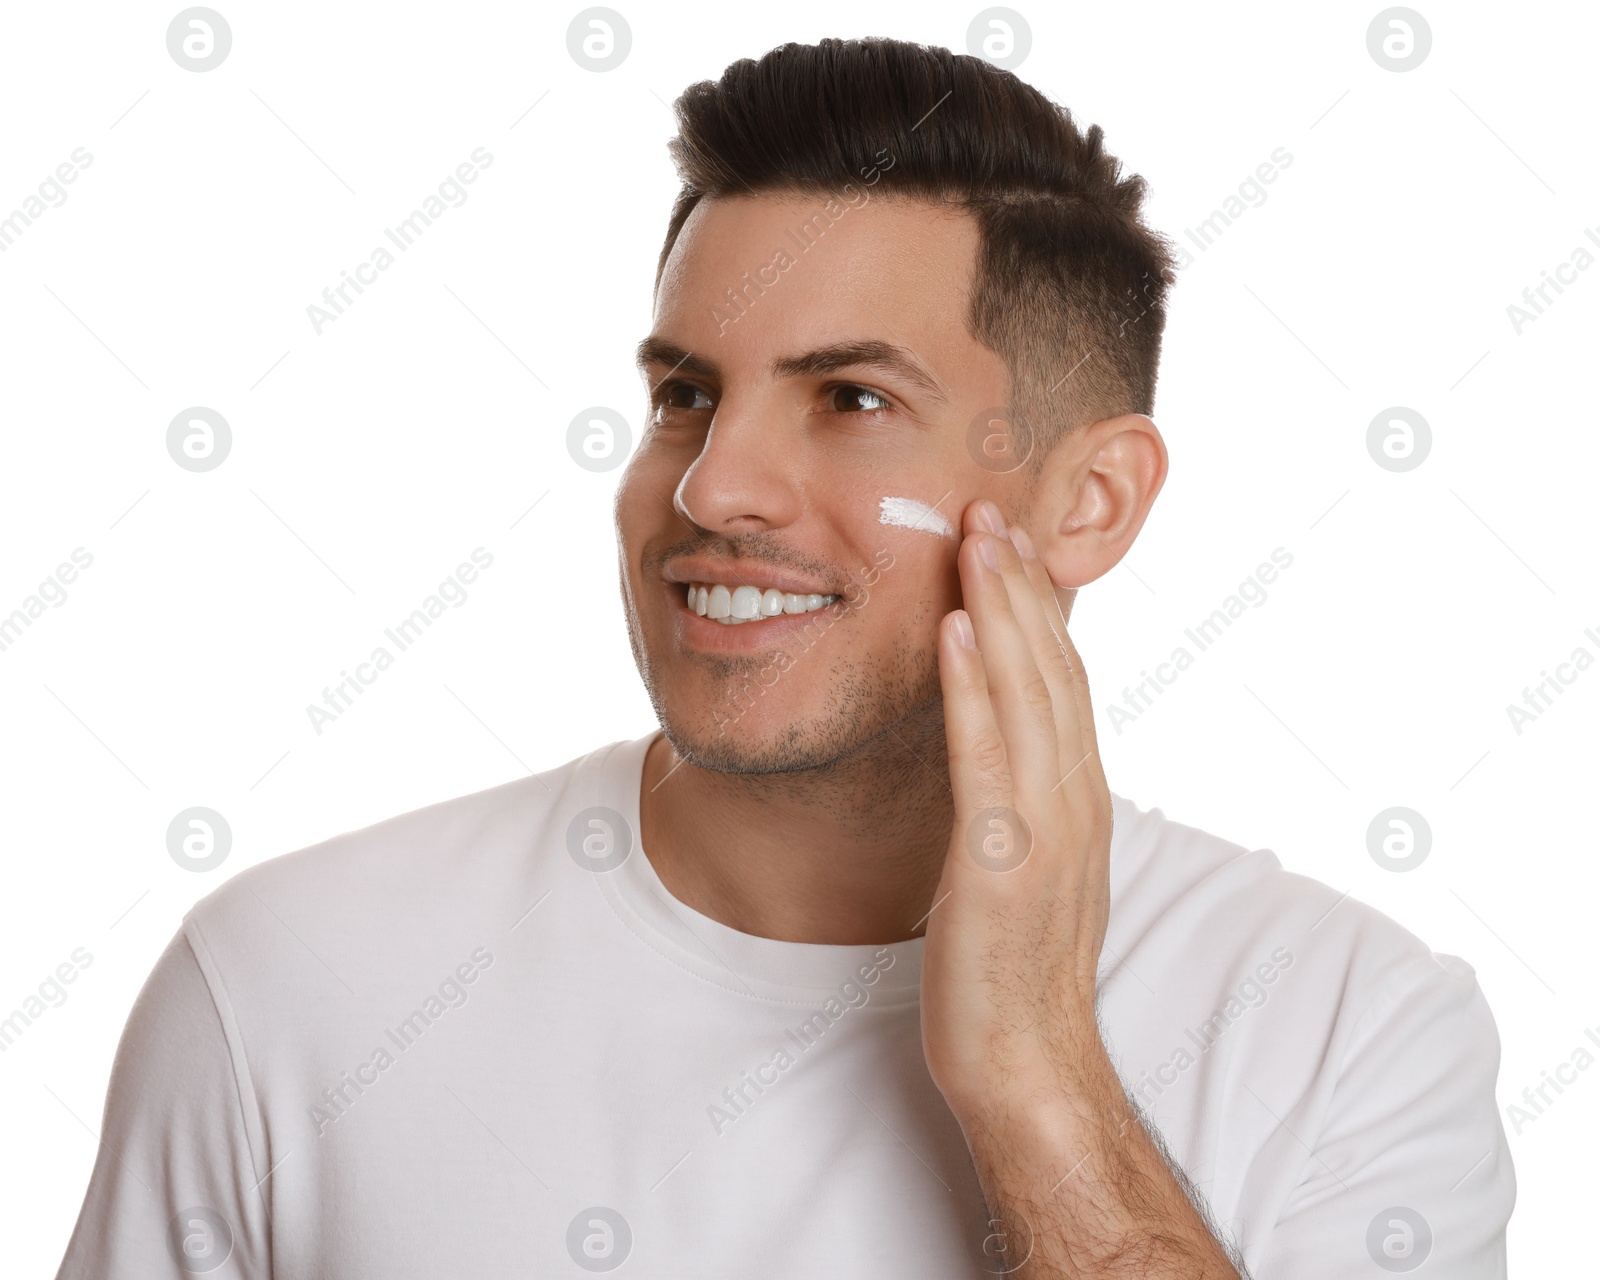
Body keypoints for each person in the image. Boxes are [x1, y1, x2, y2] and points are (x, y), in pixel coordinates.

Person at [56, 36, 1512, 1279]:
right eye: (687, 394)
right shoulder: (292, 984)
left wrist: (1037, 1082)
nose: (712, 487)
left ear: (1088, 502)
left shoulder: (1349, 1031)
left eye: (852, 398)